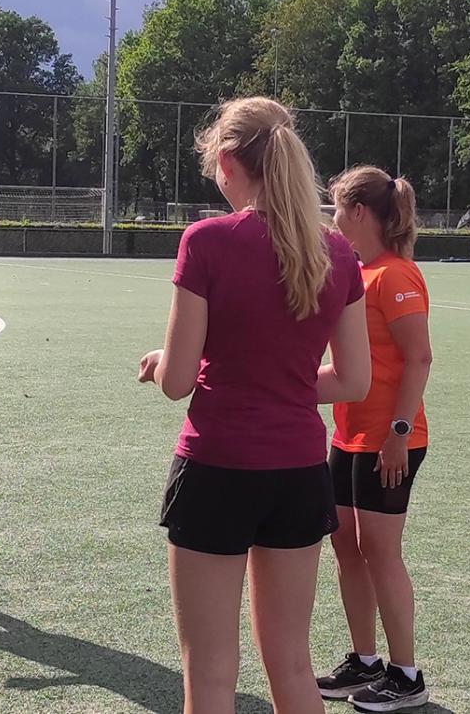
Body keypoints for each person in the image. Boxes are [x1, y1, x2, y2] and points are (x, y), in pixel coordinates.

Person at [138, 97, 371, 714]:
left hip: (217, 468)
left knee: (210, 675)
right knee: (292, 663)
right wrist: (285, 383)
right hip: (297, 474)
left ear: (226, 162)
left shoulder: (208, 241)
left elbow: (178, 380)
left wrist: (162, 362)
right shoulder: (339, 254)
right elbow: (353, 381)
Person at [317, 166, 433, 711]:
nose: (333, 219)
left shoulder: (394, 276)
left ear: (358, 213)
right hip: (348, 436)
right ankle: (363, 660)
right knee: (347, 547)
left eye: (337, 209)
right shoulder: (358, 272)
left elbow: (419, 358)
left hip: (391, 438)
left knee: (380, 553)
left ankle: (406, 675)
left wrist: (398, 433)